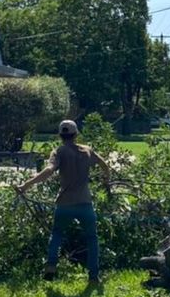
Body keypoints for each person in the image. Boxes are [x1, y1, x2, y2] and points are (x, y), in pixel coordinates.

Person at [17, 119, 112, 282]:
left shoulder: (59, 151)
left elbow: (49, 170)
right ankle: (94, 275)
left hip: (64, 203)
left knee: (57, 234)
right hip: (85, 202)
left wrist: (26, 185)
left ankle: (51, 266)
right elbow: (105, 166)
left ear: (60, 135)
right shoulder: (87, 150)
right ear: (76, 134)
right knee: (92, 238)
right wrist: (106, 183)